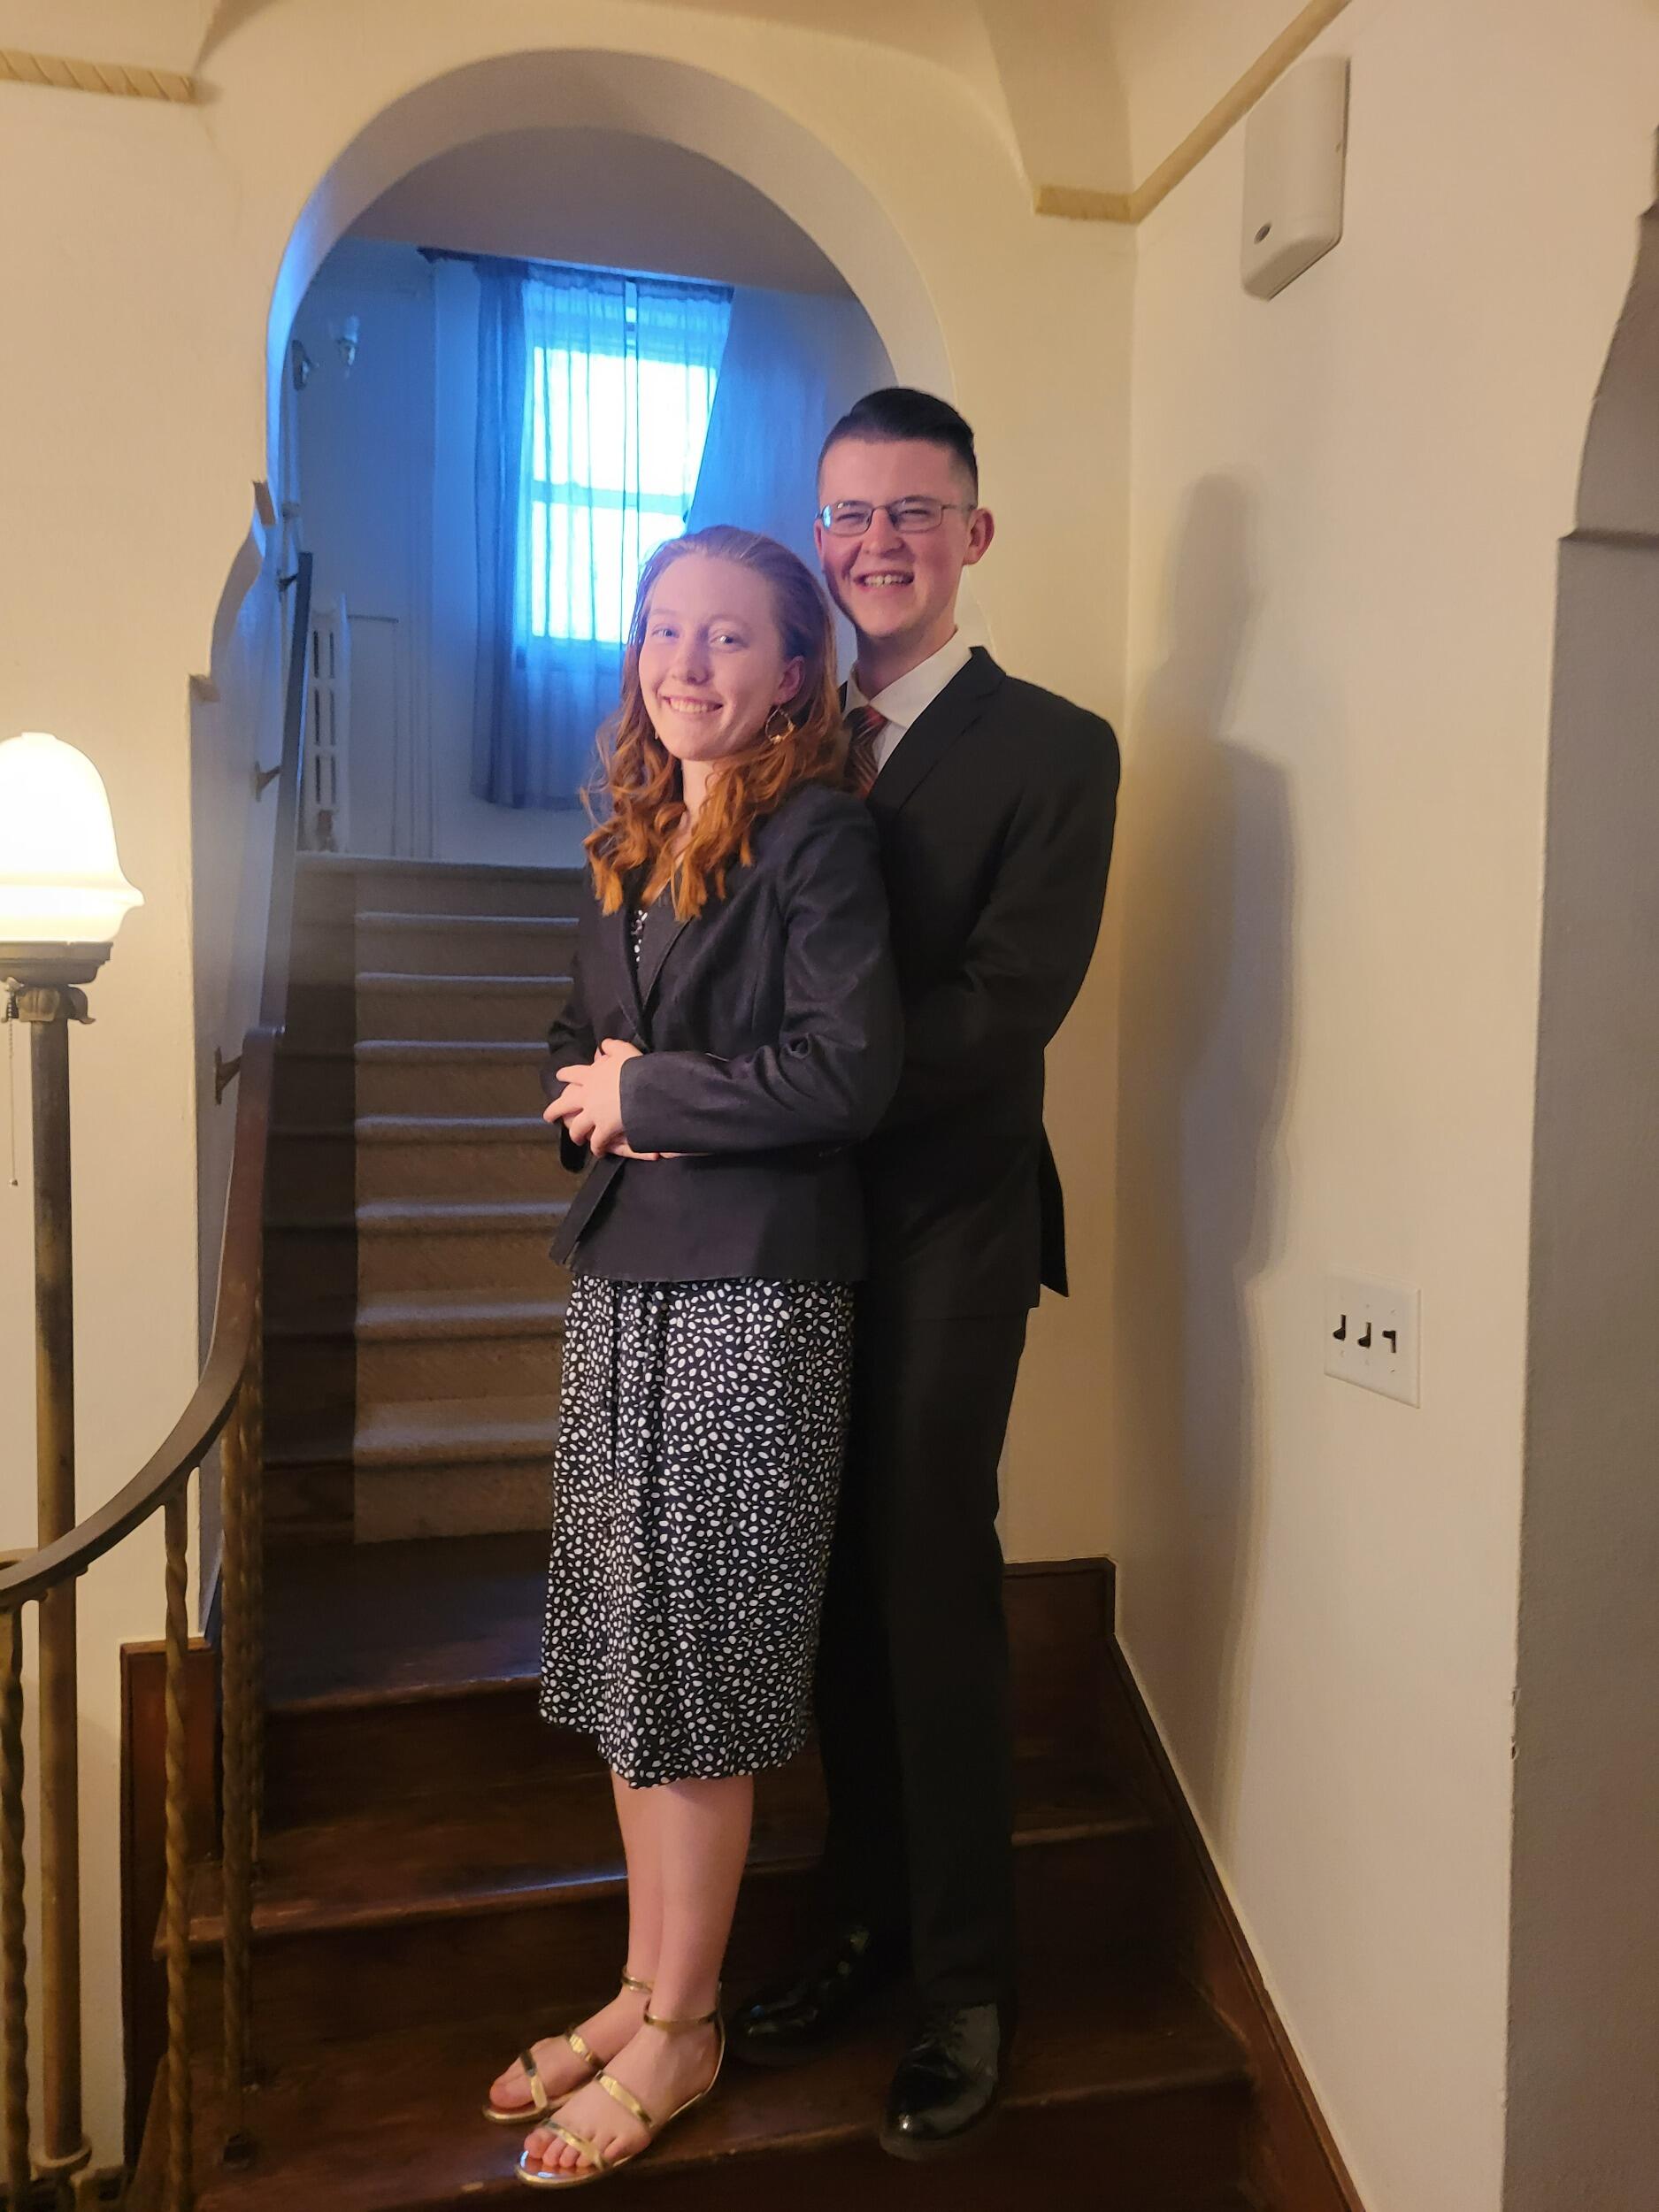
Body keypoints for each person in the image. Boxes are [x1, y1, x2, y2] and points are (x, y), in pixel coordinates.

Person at [731, 390, 1120, 2156]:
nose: (873, 540)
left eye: (909, 509)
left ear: (972, 532)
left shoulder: (1057, 747)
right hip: (789, 1222)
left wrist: (795, 1097)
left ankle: (969, 1976)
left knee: (926, 1573)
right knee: (821, 1587)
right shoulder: (776, 730)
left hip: (953, 1217)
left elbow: (1003, 1009)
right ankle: (863, 1921)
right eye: (845, 514)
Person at [489, 524, 902, 2189]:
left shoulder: (818, 839)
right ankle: (641, 1983)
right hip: (625, 1281)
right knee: (630, 1668)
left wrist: (642, 1096)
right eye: (664, 631)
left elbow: (843, 1074)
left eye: (730, 638)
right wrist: (594, 1101)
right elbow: (559, 1057)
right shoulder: (635, 840)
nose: (687, 664)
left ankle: (688, 2021)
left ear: (795, 672)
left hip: (756, 1294)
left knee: (707, 1679)